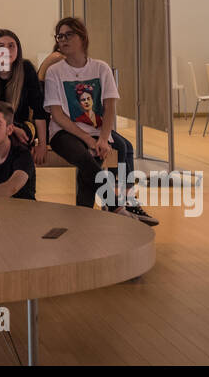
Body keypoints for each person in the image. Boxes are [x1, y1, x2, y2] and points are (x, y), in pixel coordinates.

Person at [43, 17, 157, 225]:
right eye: (60, 36)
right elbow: (58, 115)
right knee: (86, 158)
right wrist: (88, 139)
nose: (63, 39)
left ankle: (90, 215)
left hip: (96, 131)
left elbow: (110, 107)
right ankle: (116, 207)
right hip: (64, 132)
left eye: (69, 35)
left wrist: (104, 138)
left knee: (117, 148)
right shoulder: (55, 72)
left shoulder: (101, 68)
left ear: (82, 37)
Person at [0, 29, 49, 160]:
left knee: (16, 137)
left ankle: (14, 175)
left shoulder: (26, 69)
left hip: (21, 124)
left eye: (11, 46)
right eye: (1, 46)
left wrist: (42, 144)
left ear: (18, 50)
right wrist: (9, 129)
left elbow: (39, 109)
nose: (6, 50)